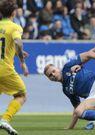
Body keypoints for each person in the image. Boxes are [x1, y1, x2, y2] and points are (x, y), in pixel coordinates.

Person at [0, 0, 29, 135]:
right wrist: (22, 62)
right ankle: (5, 120)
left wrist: (18, 52)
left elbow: (6, 45)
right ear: (13, 13)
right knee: (21, 95)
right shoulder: (14, 27)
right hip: (5, 70)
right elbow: (17, 42)